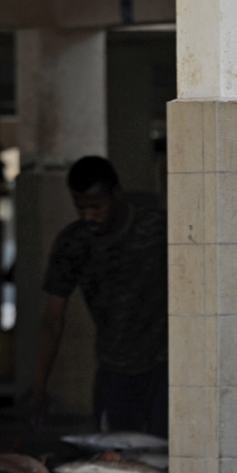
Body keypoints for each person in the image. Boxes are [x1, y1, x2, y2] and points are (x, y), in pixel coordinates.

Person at [30, 156, 168, 437]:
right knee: (113, 460)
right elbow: (52, 319)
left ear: (116, 194)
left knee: (166, 456)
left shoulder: (157, 229)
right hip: (114, 371)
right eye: (80, 207)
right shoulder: (73, 243)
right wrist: (39, 388)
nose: (88, 215)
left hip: (165, 366)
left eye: (96, 206)